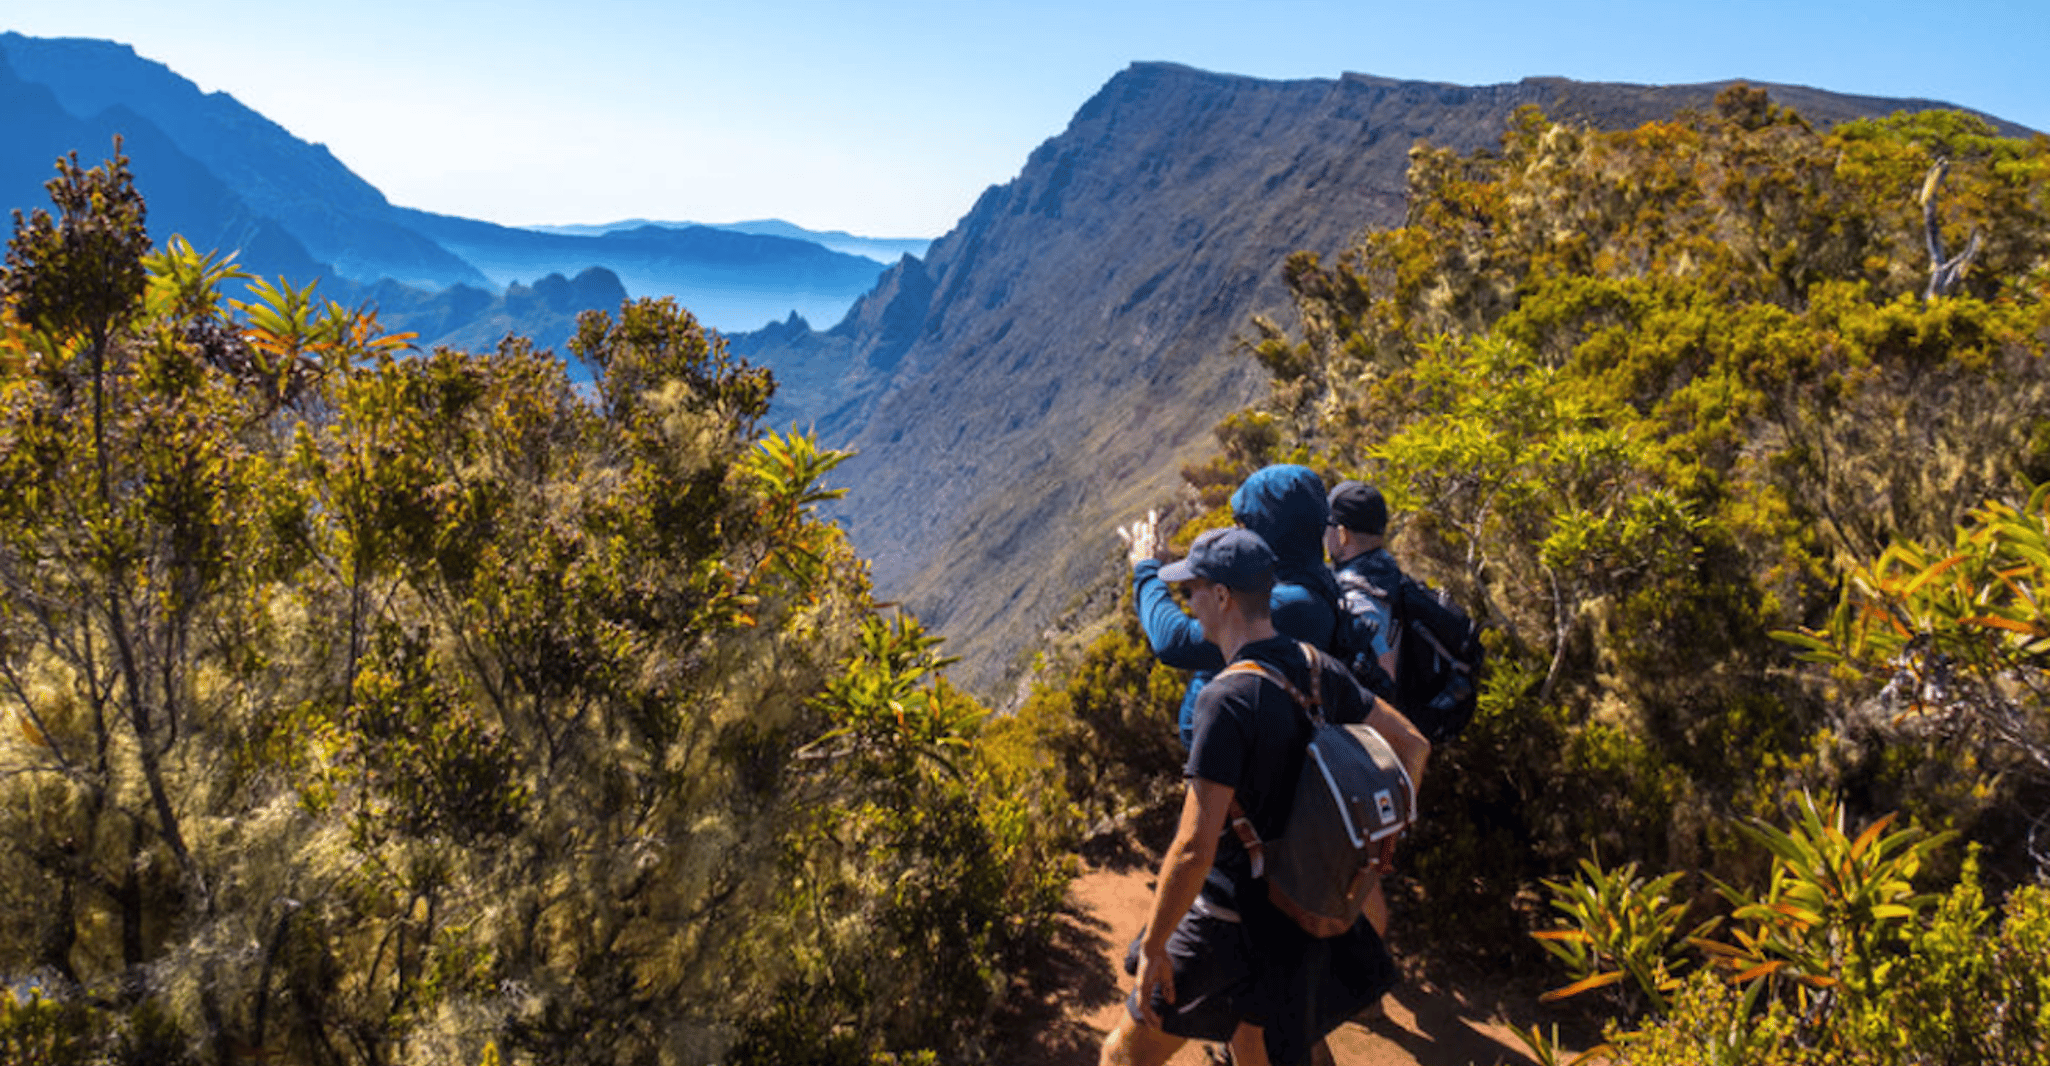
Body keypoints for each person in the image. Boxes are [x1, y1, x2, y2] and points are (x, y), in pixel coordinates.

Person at [1101, 527, 1430, 1066]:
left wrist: (1156, 946)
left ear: (1223, 596)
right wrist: (1375, 859)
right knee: (1258, 1045)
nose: (1190, 603)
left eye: (1192, 591)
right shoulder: (1317, 666)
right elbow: (1412, 747)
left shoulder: (1225, 698)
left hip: (1228, 918)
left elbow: (1192, 848)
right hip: (1300, 912)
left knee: (1123, 1055)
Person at [1119, 464, 1342, 748]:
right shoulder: (1310, 582)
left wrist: (1146, 570)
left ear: (1269, 530)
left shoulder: (1290, 606)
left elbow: (1175, 641)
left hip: (1240, 779)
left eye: (1243, 523)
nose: (1238, 532)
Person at [1324, 480, 1400, 691]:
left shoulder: (1357, 600)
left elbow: (1386, 672)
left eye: (1327, 526)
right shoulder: (1389, 574)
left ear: (1342, 534)